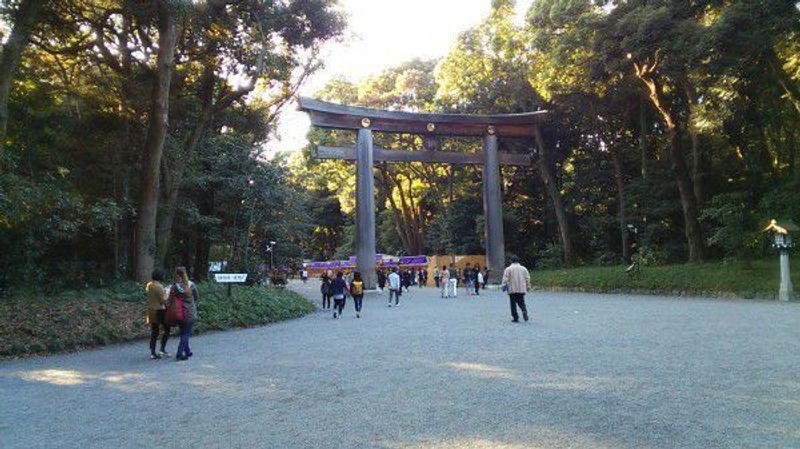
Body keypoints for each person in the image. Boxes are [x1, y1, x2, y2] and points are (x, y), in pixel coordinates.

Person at [170, 266, 199, 360]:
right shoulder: (191, 285)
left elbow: (170, 299)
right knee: (186, 333)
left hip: (178, 312)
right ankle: (179, 353)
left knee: (183, 332)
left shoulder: (174, 286)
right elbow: (197, 296)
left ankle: (187, 351)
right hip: (189, 311)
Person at [145, 269, 170, 359]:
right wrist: (167, 294)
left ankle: (152, 352)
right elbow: (162, 300)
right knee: (166, 329)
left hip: (151, 310)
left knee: (154, 331)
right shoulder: (159, 286)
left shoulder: (149, 285)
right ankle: (162, 349)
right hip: (159, 310)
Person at [501, 256, 531, 323]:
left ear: (511, 261)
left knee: (513, 303)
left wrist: (503, 286)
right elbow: (527, 278)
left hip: (512, 289)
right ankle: (524, 310)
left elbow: (505, 279)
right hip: (521, 288)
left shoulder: (508, 269)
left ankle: (515, 317)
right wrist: (528, 286)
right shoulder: (523, 269)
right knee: (522, 302)